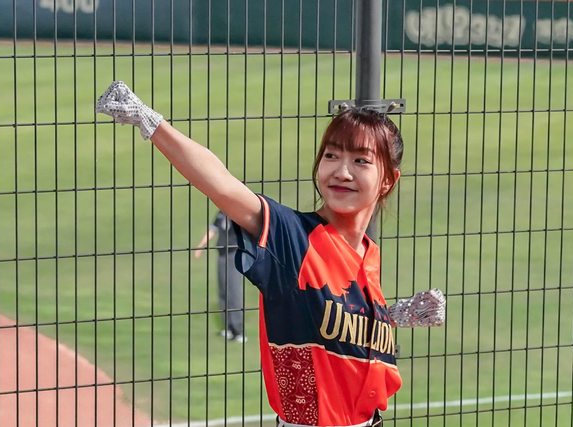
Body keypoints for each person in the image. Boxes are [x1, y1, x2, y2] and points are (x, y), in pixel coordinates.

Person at [96, 81, 445, 427]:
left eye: (360, 160)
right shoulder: (292, 238)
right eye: (331, 155)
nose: (341, 171)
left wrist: (390, 315)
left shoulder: (368, 253)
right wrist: (149, 121)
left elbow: (327, 320)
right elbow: (221, 184)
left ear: (388, 180)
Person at [194, 210, 246, 343]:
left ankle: (238, 330)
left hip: (235, 253)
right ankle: (228, 327)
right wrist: (201, 246)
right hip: (222, 253)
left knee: (234, 290)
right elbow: (212, 230)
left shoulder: (238, 212)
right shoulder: (221, 214)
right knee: (223, 290)